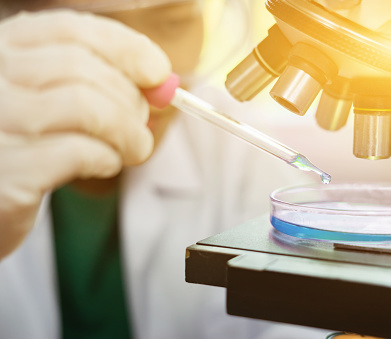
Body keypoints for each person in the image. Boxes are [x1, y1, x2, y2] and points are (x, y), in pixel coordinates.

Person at [0, 0, 332, 338]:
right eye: (97, 27)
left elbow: (307, 314)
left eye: (173, 23)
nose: (149, 77)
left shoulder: (233, 153)